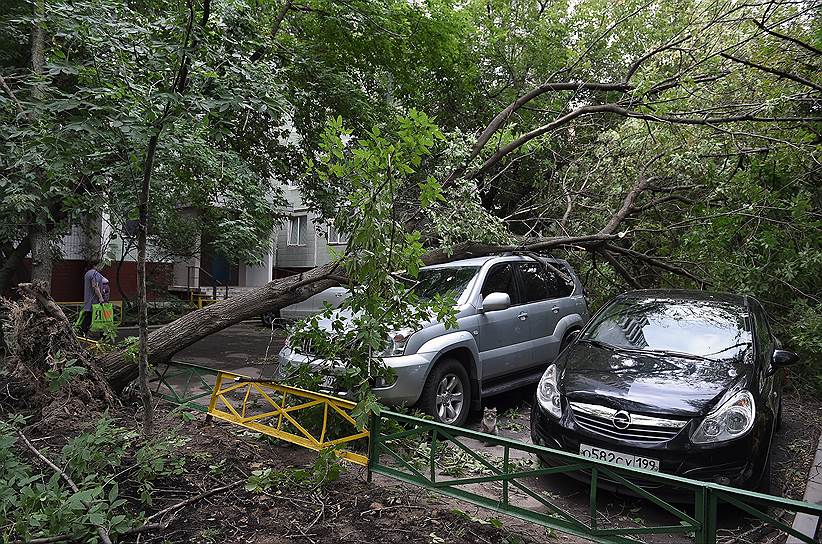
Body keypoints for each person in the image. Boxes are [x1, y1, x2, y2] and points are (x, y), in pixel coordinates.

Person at [80, 262, 105, 336]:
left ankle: (84, 331)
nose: (102, 267)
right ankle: (84, 331)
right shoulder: (95, 274)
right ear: (95, 265)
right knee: (92, 317)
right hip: (94, 300)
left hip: (88, 299)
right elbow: (95, 286)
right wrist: (100, 297)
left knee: (89, 316)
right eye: (100, 265)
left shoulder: (87, 273)